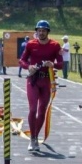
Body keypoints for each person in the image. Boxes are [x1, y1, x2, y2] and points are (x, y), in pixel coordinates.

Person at [19, 20, 63, 152]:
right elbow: (21, 60)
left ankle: (35, 136)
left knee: (42, 110)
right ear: (36, 31)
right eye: (39, 30)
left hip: (46, 81)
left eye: (44, 31)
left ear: (48, 32)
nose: (41, 33)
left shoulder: (55, 45)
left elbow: (61, 64)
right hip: (33, 80)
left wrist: (53, 65)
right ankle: (33, 138)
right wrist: (29, 67)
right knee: (33, 110)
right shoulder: (31, 44)